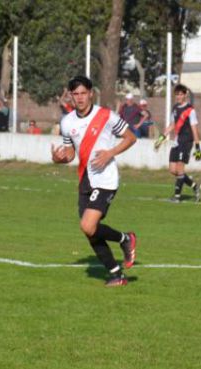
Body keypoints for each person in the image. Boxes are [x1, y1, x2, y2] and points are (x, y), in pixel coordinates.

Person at [52, 75, 138, 287]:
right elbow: (71, 153)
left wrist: (110, 153)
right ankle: (117, 274)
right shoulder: (67, 122)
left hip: (106, 179)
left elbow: (131, 138)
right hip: (85, 179)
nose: (80, 98)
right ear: (70, 96)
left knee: (88, 225)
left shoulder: (106, 116)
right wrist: (59, 159)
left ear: (91, 93)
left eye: (83, 93)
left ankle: (125, 239)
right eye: (75, 94)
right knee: (89, 230)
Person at [154, 84, 201, 202]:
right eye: (177, 94)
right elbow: (172, 125)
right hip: (176, 142)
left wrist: (197, 147)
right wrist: (160, 139)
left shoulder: (190, 110)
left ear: (185, 95)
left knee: (180, 170)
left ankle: (177, 197)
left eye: (181, 94)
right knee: (173, 170)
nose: (178, 96)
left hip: (186, 142)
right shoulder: (175, 108)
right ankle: (195, 186)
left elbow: (194, 128)